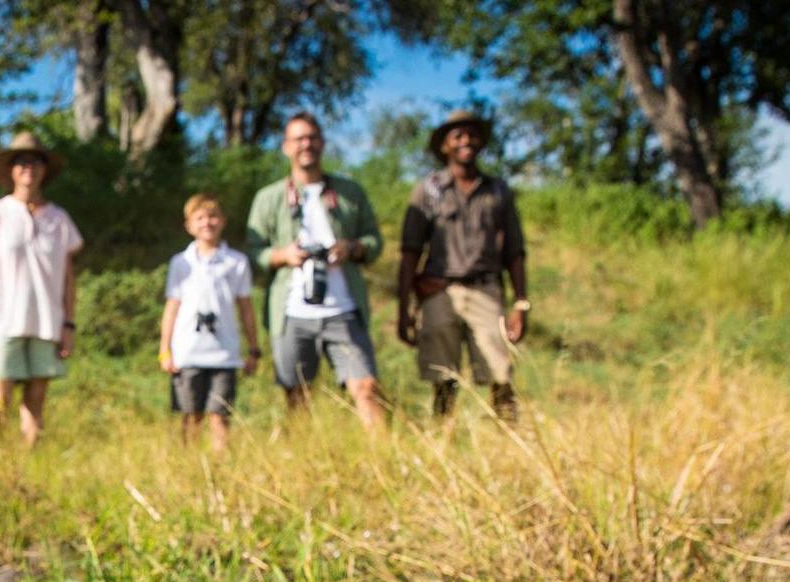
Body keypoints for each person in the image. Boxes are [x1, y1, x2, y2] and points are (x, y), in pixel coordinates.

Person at [245, 112, 386, 429]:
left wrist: (352, 248)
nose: (306, 144)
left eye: (312, 137)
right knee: (296, 396)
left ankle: (385, 454)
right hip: (291, 311)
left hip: (344, 309)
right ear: (286, 147)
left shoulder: (350, 192)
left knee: (366, 387)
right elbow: (254, 252)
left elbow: (375, 242)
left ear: (322, 143)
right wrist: (283, 255)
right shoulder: (269, 198)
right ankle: (303, 455)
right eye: (298, 139)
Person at [397, 109, 529, 423]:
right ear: (445, 145)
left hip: (485, 289)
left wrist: (521, 303)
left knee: (500, 371)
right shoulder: (429, 191)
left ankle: (510, 437)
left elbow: (515, 251)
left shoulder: (497, 191)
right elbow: (410, 252)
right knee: (443, 375)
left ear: (481, 142)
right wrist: (404, 307)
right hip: (439, 291)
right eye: (457, 135)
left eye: (472, 134)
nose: (465, 141)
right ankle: (442, 436)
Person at [0, 131, 83, 452]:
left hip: (47, 321)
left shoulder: (60, 219)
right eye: (21, 162)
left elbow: (68, 279)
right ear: (11, 170)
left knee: (36, 399)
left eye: (35, 162)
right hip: (4, 320)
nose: (28, 168)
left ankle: (29, 464)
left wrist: (68, 325)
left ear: (44, 169)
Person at [160, 193, 261, 453]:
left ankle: (221, 464)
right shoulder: (181, 262)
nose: (207, 222)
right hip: (188, 352)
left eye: (213, 216)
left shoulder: (236, 261)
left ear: (223, 221)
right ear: (189, 225)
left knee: (220, 415)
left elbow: (246, 308)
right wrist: (165, 349)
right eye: (200, 218)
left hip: (224, 354)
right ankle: (189, 464)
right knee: (190, 414)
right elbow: (172, 307)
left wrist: (253, 349)